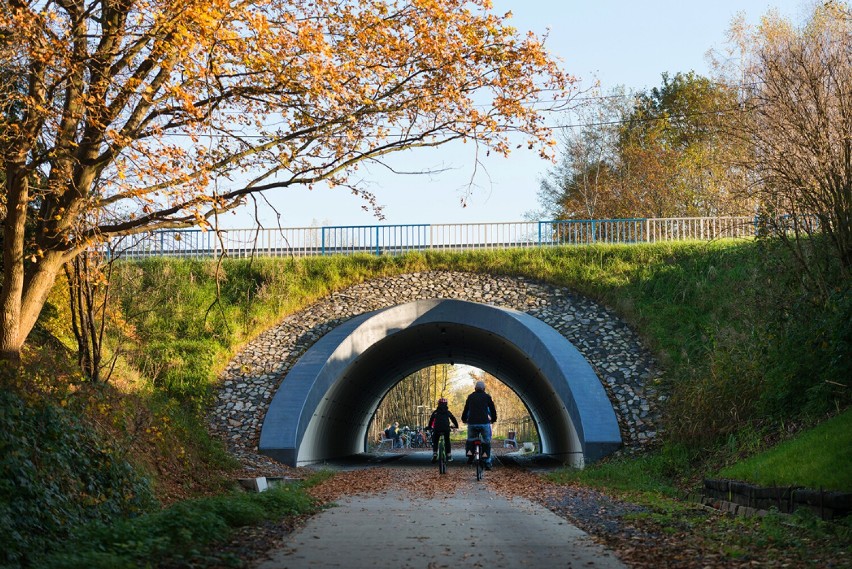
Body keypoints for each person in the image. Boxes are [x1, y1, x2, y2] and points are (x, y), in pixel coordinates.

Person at [461, 380, 497, 469]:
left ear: (475, 388)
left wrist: (464, 419)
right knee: (486, 441)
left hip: (472, 423)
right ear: (484, 389)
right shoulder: (487, 397)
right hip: (484, 423)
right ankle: (487, 462)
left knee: (470, 439)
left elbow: (466, 409)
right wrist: (493, 419)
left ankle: (470, 455)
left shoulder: (470, 397)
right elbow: (492, 409)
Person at [428, 397, 459, 462]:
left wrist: (429, 427)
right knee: (447, 441)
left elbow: (431, 420)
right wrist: (456, 426)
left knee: (435, 440)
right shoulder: (447, 412)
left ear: (438, 404)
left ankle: (435, 454)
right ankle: (449, 455)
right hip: (446, 429)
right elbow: (453, 419)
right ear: (446, 404)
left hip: (437, 429)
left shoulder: (435, 412)